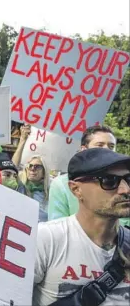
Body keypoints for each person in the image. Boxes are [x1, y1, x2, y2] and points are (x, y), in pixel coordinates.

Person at [33, 147, 130, 306]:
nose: (125, 189)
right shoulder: (46, 238)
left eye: (128, 179)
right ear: (76, 189)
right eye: (109, 181)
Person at [48, 125, 129, 227]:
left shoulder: (123, 183)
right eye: (100, 145)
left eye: (111, 146)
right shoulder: (60, 184)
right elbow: (57, 224)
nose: (106, 150)